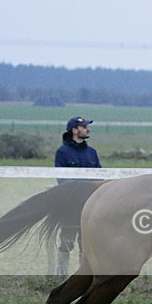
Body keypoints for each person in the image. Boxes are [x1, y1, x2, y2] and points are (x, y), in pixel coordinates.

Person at [54, 116, 101, 279]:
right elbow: (62, 179)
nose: (88, 129)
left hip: (90, 205)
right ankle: (60, 275)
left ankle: (84, 276)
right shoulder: (62, 152)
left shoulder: (92, 153)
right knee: (66, 242)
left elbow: (100, 177)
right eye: (84, 126)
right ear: (75, 130)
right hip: (70, 206)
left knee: (87, 244)